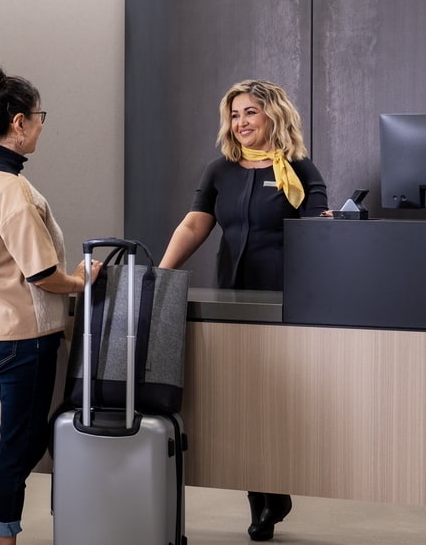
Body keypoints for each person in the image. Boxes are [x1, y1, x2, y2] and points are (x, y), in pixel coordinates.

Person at [159, 79, 328, 541]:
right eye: (235, 115)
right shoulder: (221, 170)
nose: (241, 123)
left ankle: (278, 485)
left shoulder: (301, 169)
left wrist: (328, 225)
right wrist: (161, 276)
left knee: (280, 399)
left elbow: (317, 232)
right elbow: (196, 224)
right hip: (233, 295)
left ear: (273, 114)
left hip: (285, 300)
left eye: (250, 112)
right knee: (241, 397)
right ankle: (260, 498)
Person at [0, 62, 101, 545]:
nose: (40, 125)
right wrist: (81, 280)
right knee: (17, 450)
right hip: (25, 340)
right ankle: (2, 536)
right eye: (39, 116)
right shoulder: (11, 190)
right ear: (19, 124)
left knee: (23, 439)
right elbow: (43, 276)